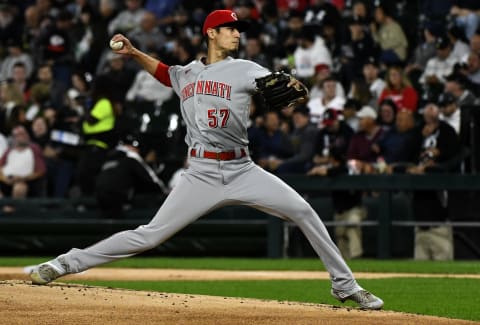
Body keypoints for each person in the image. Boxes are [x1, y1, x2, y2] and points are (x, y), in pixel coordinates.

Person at [29, 9, 383, 310]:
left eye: (238, 30)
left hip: (242, 168)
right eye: (230, 29)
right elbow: (166, 72)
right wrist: (135, 53)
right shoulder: (187, 74)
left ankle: (344, 284)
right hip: (199, 173)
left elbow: (275, 84)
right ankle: (63, 263)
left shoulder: (245, 68)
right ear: (211, 33)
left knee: (303, 210)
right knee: (148, 236)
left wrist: (288, 85)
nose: (236, 34)